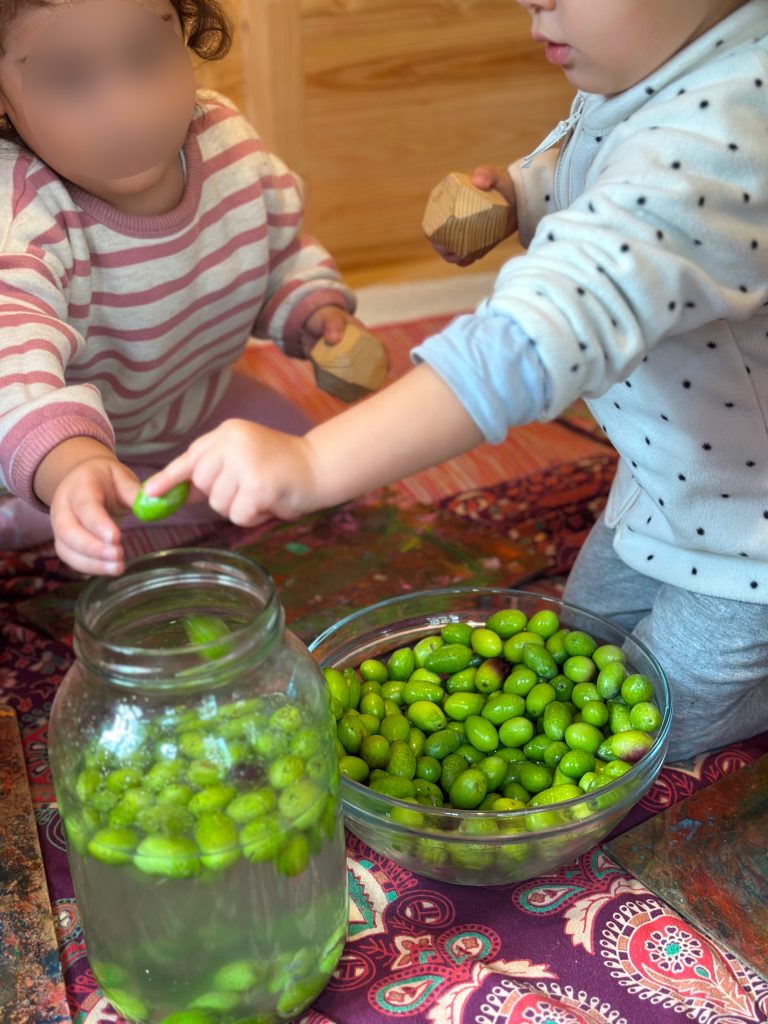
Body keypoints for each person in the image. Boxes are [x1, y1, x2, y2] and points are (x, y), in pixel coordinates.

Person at [151, 0, 768, 761]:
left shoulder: (727, 132)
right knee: (583, 648)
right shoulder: (663, 63)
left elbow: (533, 337)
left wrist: (314, 462)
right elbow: (604, 159)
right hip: (667, 479)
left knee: (657, 725)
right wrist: (516, 194)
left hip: (751, 531)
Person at [0, 0, 365, 573]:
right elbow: (14, 377)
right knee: (85, 508)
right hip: (64, 436)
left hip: (193, 402)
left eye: (146, 55)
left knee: (326, 471)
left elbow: (276, 249)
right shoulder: (19, 220)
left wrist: (314, 312)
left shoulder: (225, 139)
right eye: (67, 77)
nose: (125, 108)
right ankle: (27, 511)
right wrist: (70, 467)